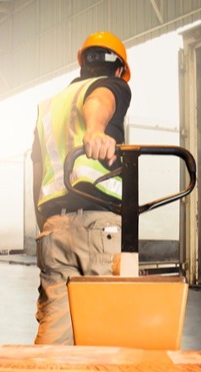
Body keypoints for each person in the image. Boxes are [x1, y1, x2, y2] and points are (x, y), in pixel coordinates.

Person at [31, 31, 132, 345]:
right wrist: (95, 129)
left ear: (83, 66)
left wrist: (45, 224)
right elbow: (101, 100)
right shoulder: (113, 86)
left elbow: (36, 167)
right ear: (119, 70)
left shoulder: (51, 105)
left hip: (53, 228)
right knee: (109, 334)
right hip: (99, 226)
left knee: (55, 333)